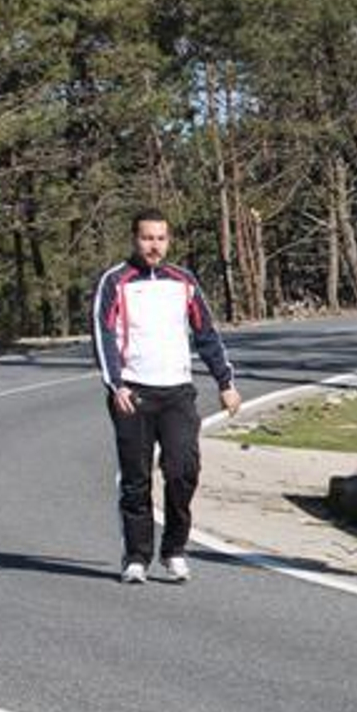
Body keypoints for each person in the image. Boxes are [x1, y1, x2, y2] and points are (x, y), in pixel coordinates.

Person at [93, 208, 241, 584]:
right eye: (146, 238)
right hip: (133, 393)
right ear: (134, 238)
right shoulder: (115, 281)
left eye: (160, 238)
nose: (153, 245)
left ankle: (174, 549)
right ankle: (137, 557)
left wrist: (225, 382)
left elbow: (206, 334)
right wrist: (116, 385)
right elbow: (103, 334)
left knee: (182, 472)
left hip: (177, 393)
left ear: (168, 240)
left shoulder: (184, 281)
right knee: (136, 479)